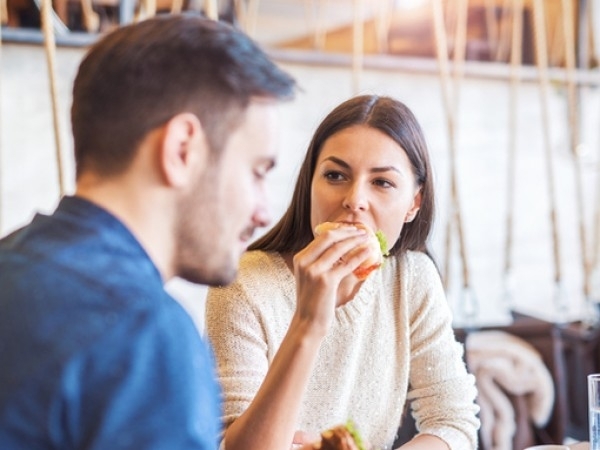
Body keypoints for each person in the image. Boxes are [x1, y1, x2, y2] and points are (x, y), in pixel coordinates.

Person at [0, 14, 295, 449]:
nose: (264, 211)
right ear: (182, 150)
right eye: (256, 172)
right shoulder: (146, 335)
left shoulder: (12, 263)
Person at [206, 95, 481, 450]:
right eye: (335, 175)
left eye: (382, 182)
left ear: (414, 203)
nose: (354, 200)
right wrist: (308, 322)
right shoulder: (242, 285)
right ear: (310, 185)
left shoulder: (412, 278)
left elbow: (454, 421)